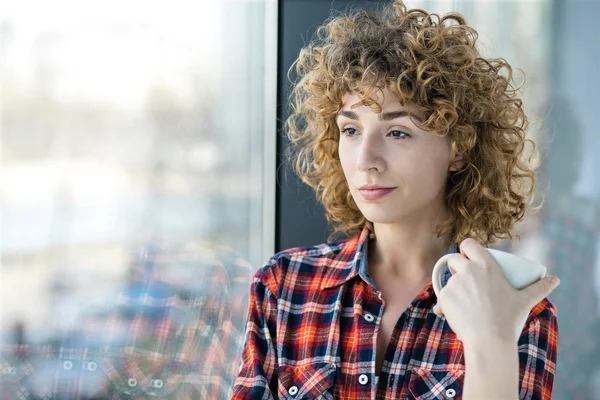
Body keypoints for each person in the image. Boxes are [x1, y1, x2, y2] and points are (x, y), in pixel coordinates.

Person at [232, 1, 559, 399]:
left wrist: (490, 340)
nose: (365, 161)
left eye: (398, 132)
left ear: (459, 146)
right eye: (351, 130)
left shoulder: (516, 307)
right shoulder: (283, 286)